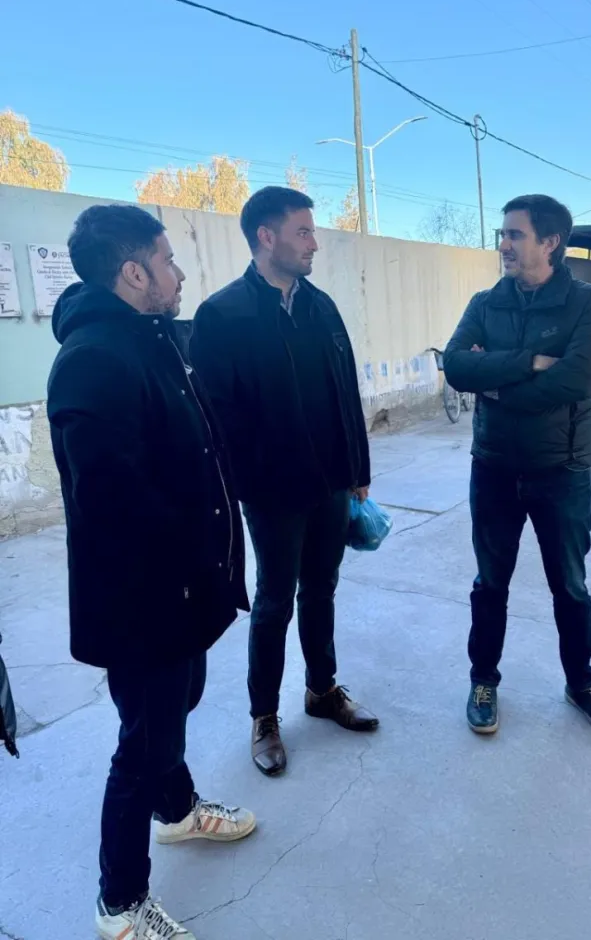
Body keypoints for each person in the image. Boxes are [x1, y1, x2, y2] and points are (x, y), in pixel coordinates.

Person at [47, 205, 255, 940]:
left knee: (171, 713)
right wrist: (192, 558)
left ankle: (177, 812)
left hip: (182, 590)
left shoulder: (153, 341)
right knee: (143, 745)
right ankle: (120, 905)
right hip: (144, 603)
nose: (180, 272)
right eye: (169, 261)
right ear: (134, 273)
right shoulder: (95, 359)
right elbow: (113, 504)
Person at [190, 186, 378, 778]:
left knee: (321, 589)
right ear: (266, 237)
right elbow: (215, 418)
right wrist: (243, 485)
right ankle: (264, 716)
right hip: (272, 492)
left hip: (329, 484)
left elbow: (346, 392)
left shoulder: (321, 307)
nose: (315, 243)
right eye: (304, 232)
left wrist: (357, 473)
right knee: (274, 601)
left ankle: (322, 691)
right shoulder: (222, 315)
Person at [443, 194, 591, 737]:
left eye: (514, 235)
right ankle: (483, 681)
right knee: (489, 583)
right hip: (494, 467)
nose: (502, 244)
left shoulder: (588, 304)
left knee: (569, 585)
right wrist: (527, 363)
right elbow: (455, 366)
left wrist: (494, 382)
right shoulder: (485, 302)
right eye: (502, 234)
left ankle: (581, 682)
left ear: (550, 242)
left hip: (562, 471)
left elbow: (580, 377)